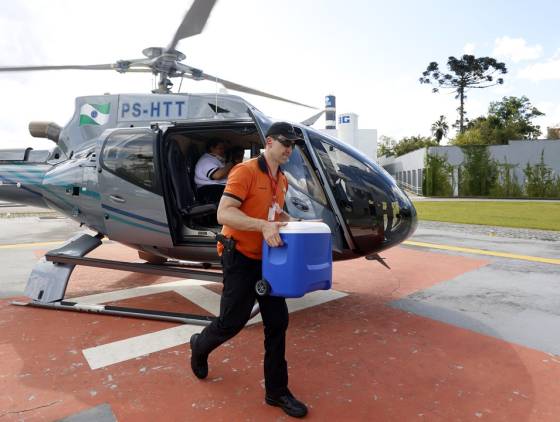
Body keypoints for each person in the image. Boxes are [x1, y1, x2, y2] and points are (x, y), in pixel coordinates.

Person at [189, 122, 308, 418]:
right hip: (240, 255)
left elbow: (272, 212)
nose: (289, 149)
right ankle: (200, 346)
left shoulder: (282, 179)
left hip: (268, 259)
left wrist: (292, 221)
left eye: (293, 145)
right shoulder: (244, 171)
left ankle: (277, 392)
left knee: (277, 322)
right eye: (285, 143)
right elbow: (224, 213)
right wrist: (263, 226)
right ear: (269, 142)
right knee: (232, 322)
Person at [194, 139, 241, 204]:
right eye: (220, 148)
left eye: (223, 148)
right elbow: (217, 175)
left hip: (217, 188)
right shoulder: (206, 160)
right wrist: (231, 163)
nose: (223, 150)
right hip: (211, 191)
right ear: (212, 148)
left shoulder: (217, 160)